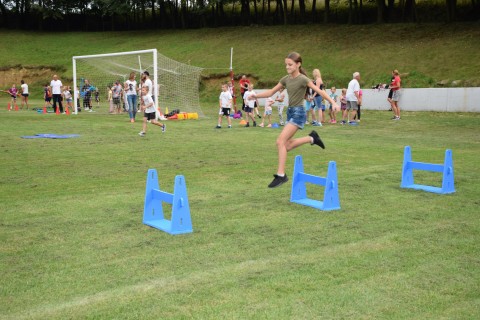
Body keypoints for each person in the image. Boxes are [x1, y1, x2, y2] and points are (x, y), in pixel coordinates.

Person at [248, 52, 339, 188]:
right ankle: (311, 138)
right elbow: (271, 92)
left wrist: (333, 102)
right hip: (290, 112)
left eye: (290, 65)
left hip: (299, 113)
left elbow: (319, 91)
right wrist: (255, 96)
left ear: (298, 64)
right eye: (286, 64)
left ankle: (281, 175)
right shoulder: (286, 79)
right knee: (286, 146)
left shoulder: (303, 79)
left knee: (280, 142)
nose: (287, 67)